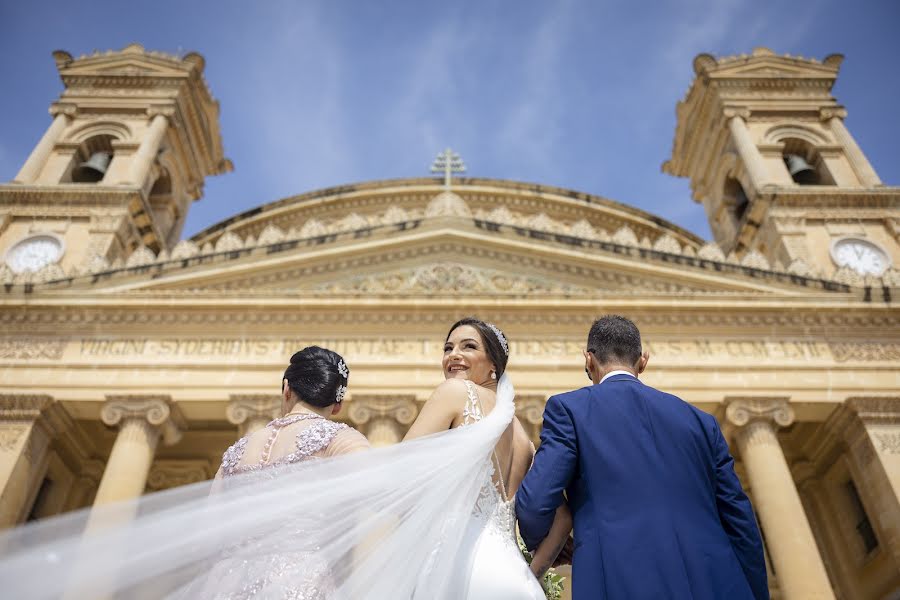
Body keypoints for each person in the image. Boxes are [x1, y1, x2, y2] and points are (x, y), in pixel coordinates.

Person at [516, 315, 769, 600]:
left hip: (619, 580)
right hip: (718, 584)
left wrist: (547, 544)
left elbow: (535, 501)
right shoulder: (702, 422)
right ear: (643, 361)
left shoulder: (569, 409)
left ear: (589, 360)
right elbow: (741, 522)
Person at [404, 317, 571, 599]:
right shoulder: (524, 439)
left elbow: (400, 469)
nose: (454, 354)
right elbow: (563, 518)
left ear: (494, 363)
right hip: (514, 577)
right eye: (448, 348)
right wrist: (532, 576)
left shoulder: (455, 392)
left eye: (468, 346)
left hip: (459, 566)